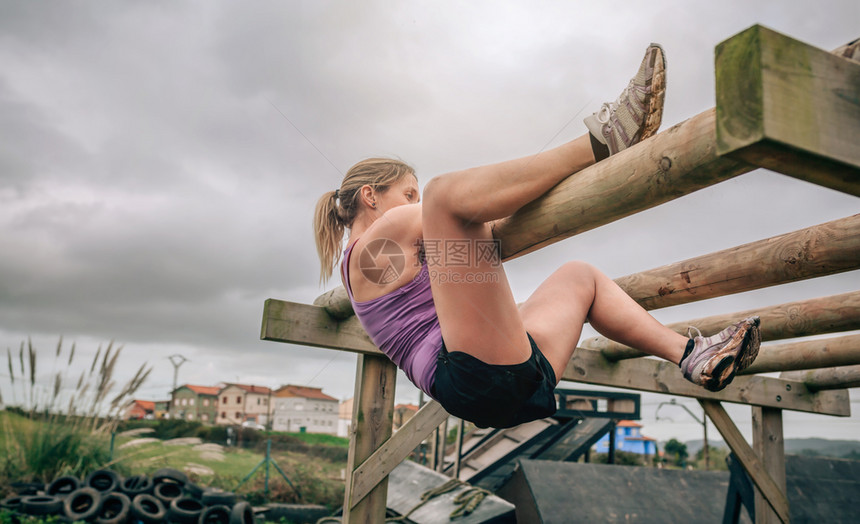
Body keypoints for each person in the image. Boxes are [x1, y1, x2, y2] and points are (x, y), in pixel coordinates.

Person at [313, 44, 760, 429]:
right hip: (470, 372)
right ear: (370, 196)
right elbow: (467, 215)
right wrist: (442, 211)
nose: (414, 203)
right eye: (406, 193)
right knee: (444, 195)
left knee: (579, 277)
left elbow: (472, 241)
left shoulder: (385, 260)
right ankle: (602, 140)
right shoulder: (371, 249)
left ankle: (691, 353)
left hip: (519, 378)